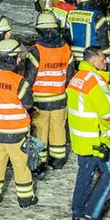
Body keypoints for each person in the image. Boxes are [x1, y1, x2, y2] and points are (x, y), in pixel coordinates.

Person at [68, 46, 110, 220]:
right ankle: (92, 213)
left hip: (81, 137)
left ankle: (77, 211)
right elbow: (107, 112)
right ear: (93, 60)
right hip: (97, 139)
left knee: (85, 173)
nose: (105, 61)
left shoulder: (78, 77)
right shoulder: (95, 82)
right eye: (103, 58)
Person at [0, 39, 36, 207]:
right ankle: (25, 199)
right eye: (18, 56)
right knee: (21, 165)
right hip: (16, 133)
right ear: (12, 58)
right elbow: (28, 104)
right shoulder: (18, 82)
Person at [30, 11, 73, 175]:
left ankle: (40, 161)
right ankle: (58, 160)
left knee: (40, 130)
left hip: (40, 99)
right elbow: (70, 75)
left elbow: (29, 77)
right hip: (60, 98)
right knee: (58, 129)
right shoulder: (65, 48)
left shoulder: (36, 50)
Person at [65, 0, 110, 64]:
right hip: (91, 59)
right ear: (95, 0)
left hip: (73, 58)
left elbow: (66, 37)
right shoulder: (97, 16)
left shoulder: (71, 14)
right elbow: (103, 41)